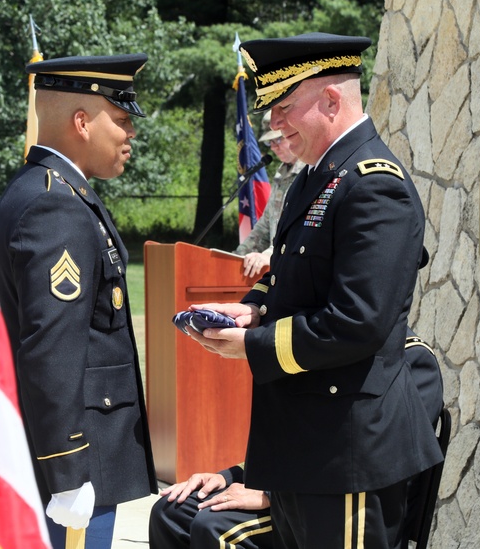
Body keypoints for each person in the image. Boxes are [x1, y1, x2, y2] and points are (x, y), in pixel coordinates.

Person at [183, 33, 444, 549]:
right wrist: (250, 314)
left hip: (348, 450)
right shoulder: (313, 180)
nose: (274, 124)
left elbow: (358, 320)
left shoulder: (374, 183)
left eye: (284, 107)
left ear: (331, 100)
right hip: (306, 445)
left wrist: (254, 347)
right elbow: (289, 277)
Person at [0, 53, 157, 549]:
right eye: (121, 120)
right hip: (73, 463)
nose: (130, 134)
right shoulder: (56, 205)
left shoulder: (41, 189)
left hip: (61, 453)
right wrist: (67, 472)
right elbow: (51, 351)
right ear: (81, 122)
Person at [148, 331, 444, 549]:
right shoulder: (320, 346)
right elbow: (293, 442)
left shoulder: (413, 359)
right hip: (290, 484)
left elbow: (379, 464)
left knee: (216, 528)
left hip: (345, 507)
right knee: (172, 511)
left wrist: (271, 496)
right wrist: (227, 477)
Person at [233, 111, 302, 278]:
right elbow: (265, 226)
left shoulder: (309, 174)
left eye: (278, 139)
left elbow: (299, 230)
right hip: (274, 270)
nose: (273, 147)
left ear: (294, 135)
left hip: (295, 270)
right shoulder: (281, 176)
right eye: (270, 142)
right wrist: (236, 256)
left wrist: (270, 254)